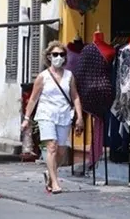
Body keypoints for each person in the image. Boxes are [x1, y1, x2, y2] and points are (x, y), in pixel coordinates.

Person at [21, 40, 84, 194]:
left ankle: (50, 173)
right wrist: (27, 118)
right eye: (55, 54)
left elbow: (75, 96)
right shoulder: (43, 77)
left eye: (62, 54)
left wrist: (79, 116)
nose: (58, 57)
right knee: (52, 146)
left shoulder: (69, 76)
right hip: (46, 115)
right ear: (49, 56)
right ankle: (55, 182)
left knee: (62, 151)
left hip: (64, 115)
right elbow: (34, 99)